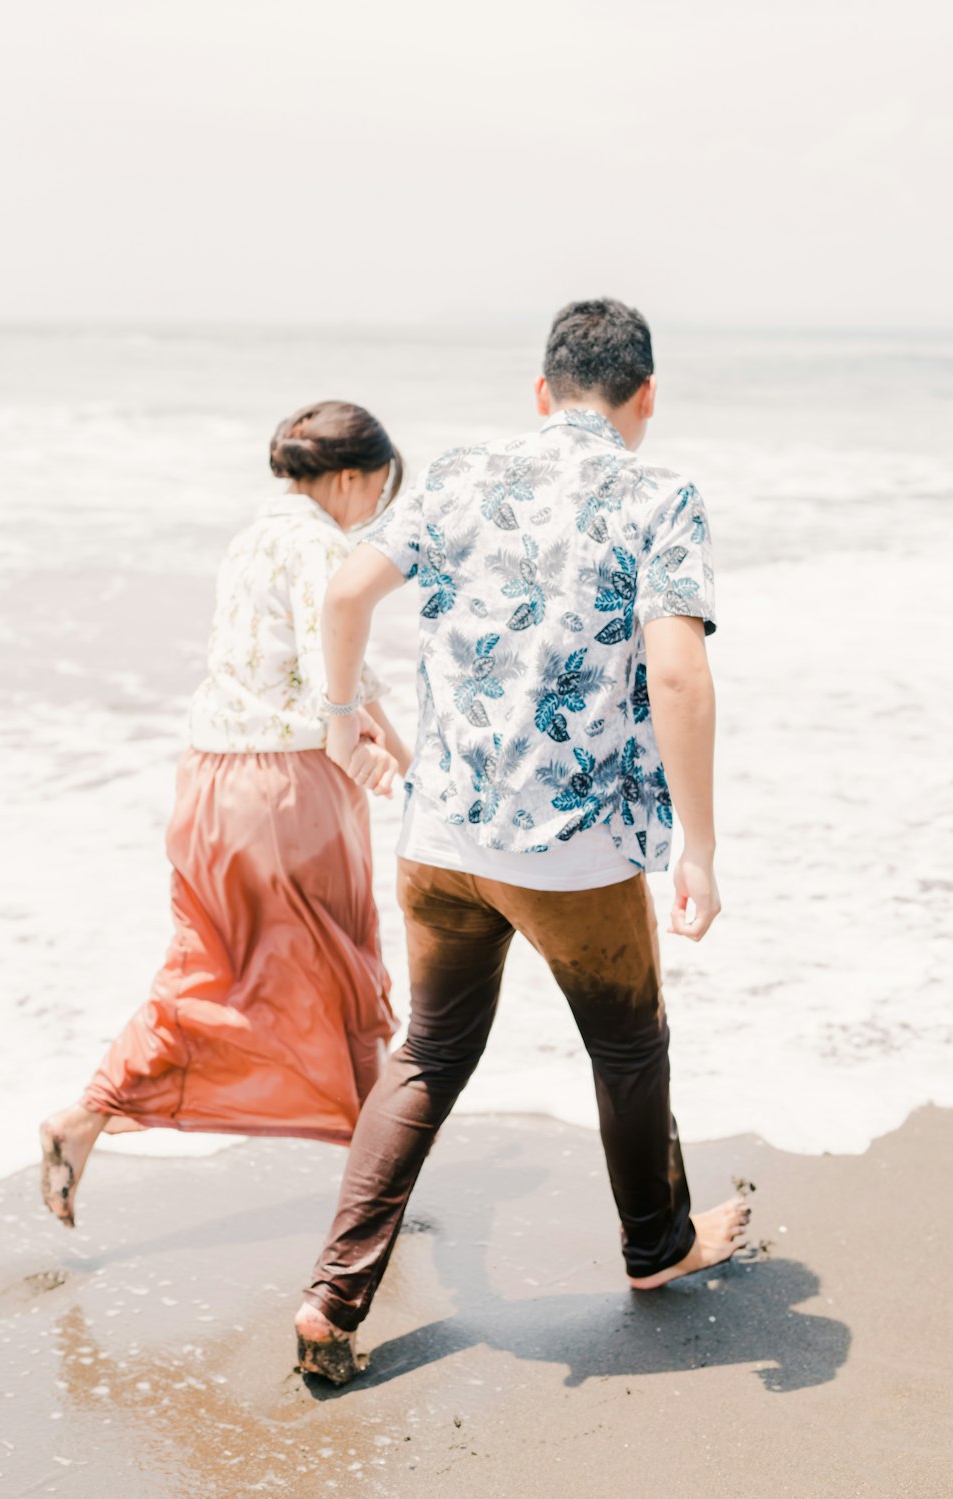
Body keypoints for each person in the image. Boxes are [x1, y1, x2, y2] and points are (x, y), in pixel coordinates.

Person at [294, 299, 750, 1385]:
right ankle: (656, 1243)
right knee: (628, 1043)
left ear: (540, 392)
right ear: (644, 397)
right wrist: (699, 847)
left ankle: (330, 1296)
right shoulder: (660, 493)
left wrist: (341, 712)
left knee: (429, 1053)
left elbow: (347, 586)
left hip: (443, 836)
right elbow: (679, 671)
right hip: (574, 848)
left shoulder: (455, 473)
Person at [40, 400, 408, 1228]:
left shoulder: (251, 537)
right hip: (288, 792)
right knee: (344, 970)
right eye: (377, 489)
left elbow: (323, 668)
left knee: (202, 969)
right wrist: (386, 760)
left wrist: (405, 752)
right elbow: (335, 676)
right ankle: (379, 1186)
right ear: (350, 477)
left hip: (208, 783)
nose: (374, 508)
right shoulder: (322, 543)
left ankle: (85, 1115)